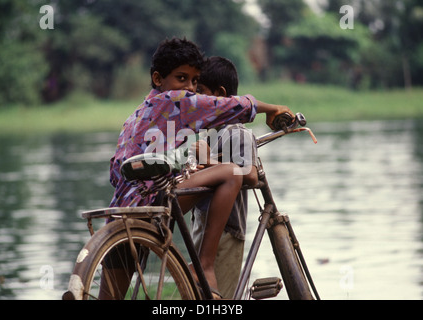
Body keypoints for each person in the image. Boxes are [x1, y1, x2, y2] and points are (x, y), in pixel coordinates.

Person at [108, 37, 294, 299]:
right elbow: (233, 105)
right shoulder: (177, 101)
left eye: (194, 81)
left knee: (108, 295)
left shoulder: (136, 114)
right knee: (231, 173)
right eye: (182, 78)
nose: (190, 88)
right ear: (158, 79)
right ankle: (204, 265)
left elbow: (116, 170)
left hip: (120, 214)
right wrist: (273, 108)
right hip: (155, 203)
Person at [190, 56, 258, 299]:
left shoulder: (236, 132)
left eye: (201, 93)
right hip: (202, 227)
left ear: (220, 94)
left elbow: (250, 174)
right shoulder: (206, 133)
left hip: (227, 232)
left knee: (221, 296)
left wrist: (210, 162)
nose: (197, 101)